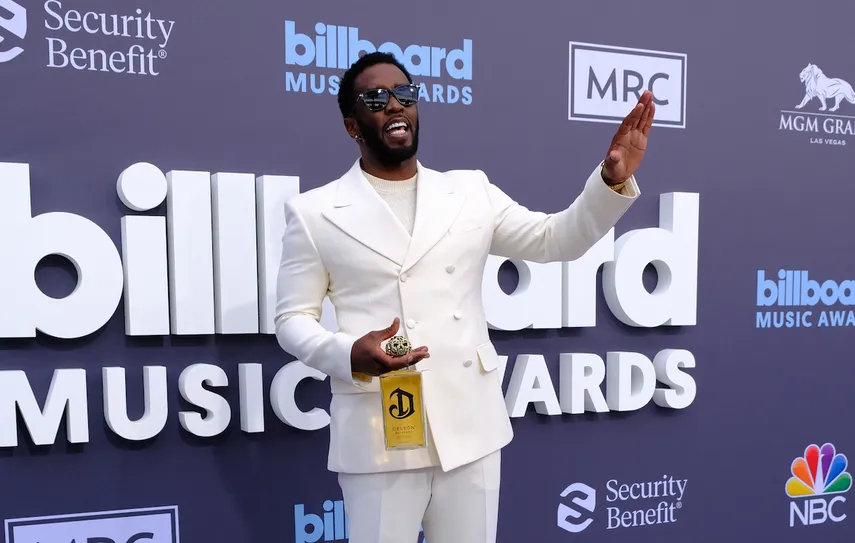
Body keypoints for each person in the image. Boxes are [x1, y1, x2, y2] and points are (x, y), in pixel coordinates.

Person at [274, 51, 655, 543]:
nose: (394, 105)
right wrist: (349, 353)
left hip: (470, 430)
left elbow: (555, 239)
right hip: (379, 432)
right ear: (353, 125)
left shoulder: (469, 191)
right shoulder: (315, 212)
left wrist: (609, 180)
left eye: (403, 95)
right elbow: (292, 319)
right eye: (376, 99)